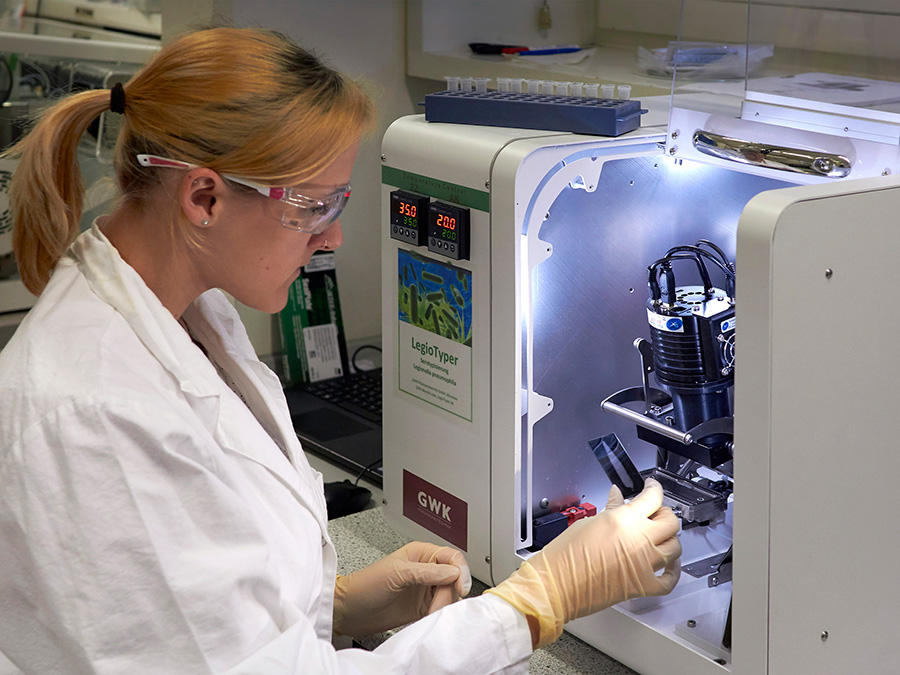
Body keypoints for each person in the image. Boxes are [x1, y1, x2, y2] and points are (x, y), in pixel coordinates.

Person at [0, 27, 681, 674]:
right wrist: (537, 602)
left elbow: (178, 605)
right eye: (312, 206)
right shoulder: (96, 413)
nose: (332, 238)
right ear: (204, 197)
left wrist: (332, 603)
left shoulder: (183, 312)